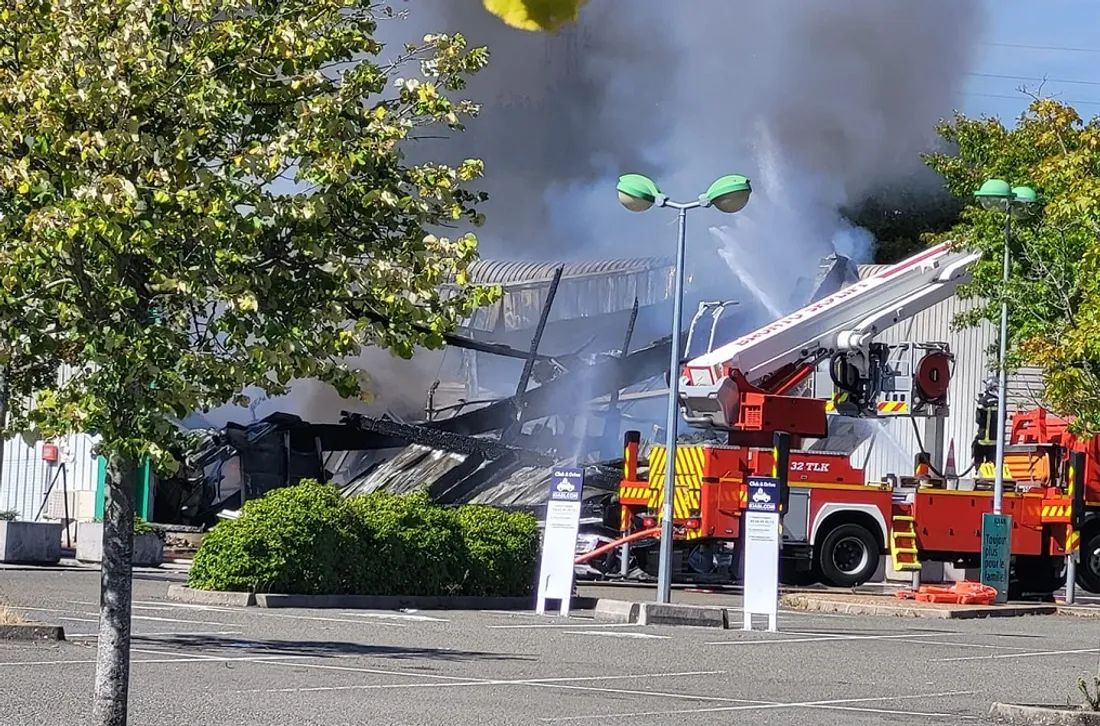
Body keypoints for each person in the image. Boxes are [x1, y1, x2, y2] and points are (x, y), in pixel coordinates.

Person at [972, 378, 999, 471]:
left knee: (979, 465)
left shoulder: (983, 401)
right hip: (995, 442)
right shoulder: (1000, 402)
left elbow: (979, 420)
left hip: (982, 440)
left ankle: (977, 476)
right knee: (992, 469)